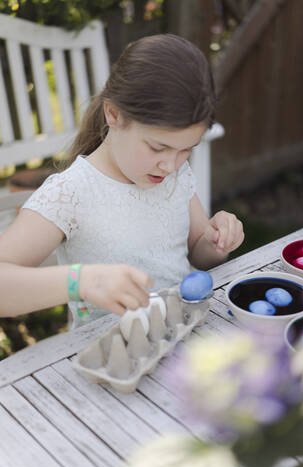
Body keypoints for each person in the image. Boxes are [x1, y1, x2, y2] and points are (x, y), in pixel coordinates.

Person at [0, 34, 244, 329]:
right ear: (113, 114)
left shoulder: (175, 175)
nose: (170, 165)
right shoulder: (71, 193)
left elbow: (198, 253)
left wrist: (215, 242)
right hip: (110, 360)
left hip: (179, 334)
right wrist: (83, 281)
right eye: (157, 147)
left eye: (186, 149)